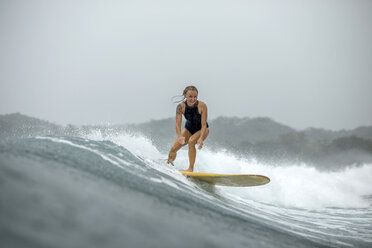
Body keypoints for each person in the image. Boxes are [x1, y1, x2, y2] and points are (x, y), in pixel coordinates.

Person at [167, 86, 209, 172]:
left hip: (202, 130)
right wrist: (180, 136)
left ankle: (190, 169)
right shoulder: (180, 107)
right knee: (173, 149)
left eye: (195, 97)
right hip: (188, 129)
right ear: (185, 95)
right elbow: (178, 124)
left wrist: (201, 138)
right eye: (190, 96)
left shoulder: (202, 106)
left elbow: (204, 124)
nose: (193, 99)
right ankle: (169, 164)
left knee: (191, 141)